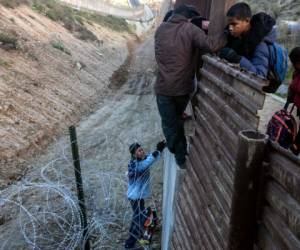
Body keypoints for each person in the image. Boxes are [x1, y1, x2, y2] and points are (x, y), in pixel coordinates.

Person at [154, 4, 227, 167]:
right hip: (182, 89)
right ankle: (179, 154)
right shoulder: (190, 29)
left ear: (174, 14)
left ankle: (179, 157)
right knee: (175, 122)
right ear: (188, 18)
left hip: (163, 88)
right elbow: (212, 45)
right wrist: (226, 34)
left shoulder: (160, 29)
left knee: (170, 124)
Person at [124, 140, 166, 249]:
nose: (142, 152)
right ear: (134, 154)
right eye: (139, 151)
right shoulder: (134, 165)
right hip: (135, 198)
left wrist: (159, 150)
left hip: (139, 197)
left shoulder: (141, 159)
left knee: (139, 218)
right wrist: (158, 150)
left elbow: (149, 159)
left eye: (142, 149)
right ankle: (130, 244)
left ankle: (141, 238)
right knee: (143, 218)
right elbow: (145, 164)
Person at [219, 2, 276, 78]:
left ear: (247, 21)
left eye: (234, 24)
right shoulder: (238, 36)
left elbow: (260, 75)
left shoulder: (260, 44)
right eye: (229, 24)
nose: (230, 28)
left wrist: (237, 59)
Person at [287, 47, 300, 155]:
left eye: (294, 62)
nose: (293, 65)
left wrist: (292, 86)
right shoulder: (297, 72)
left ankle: (296, 147)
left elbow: (296, 86)